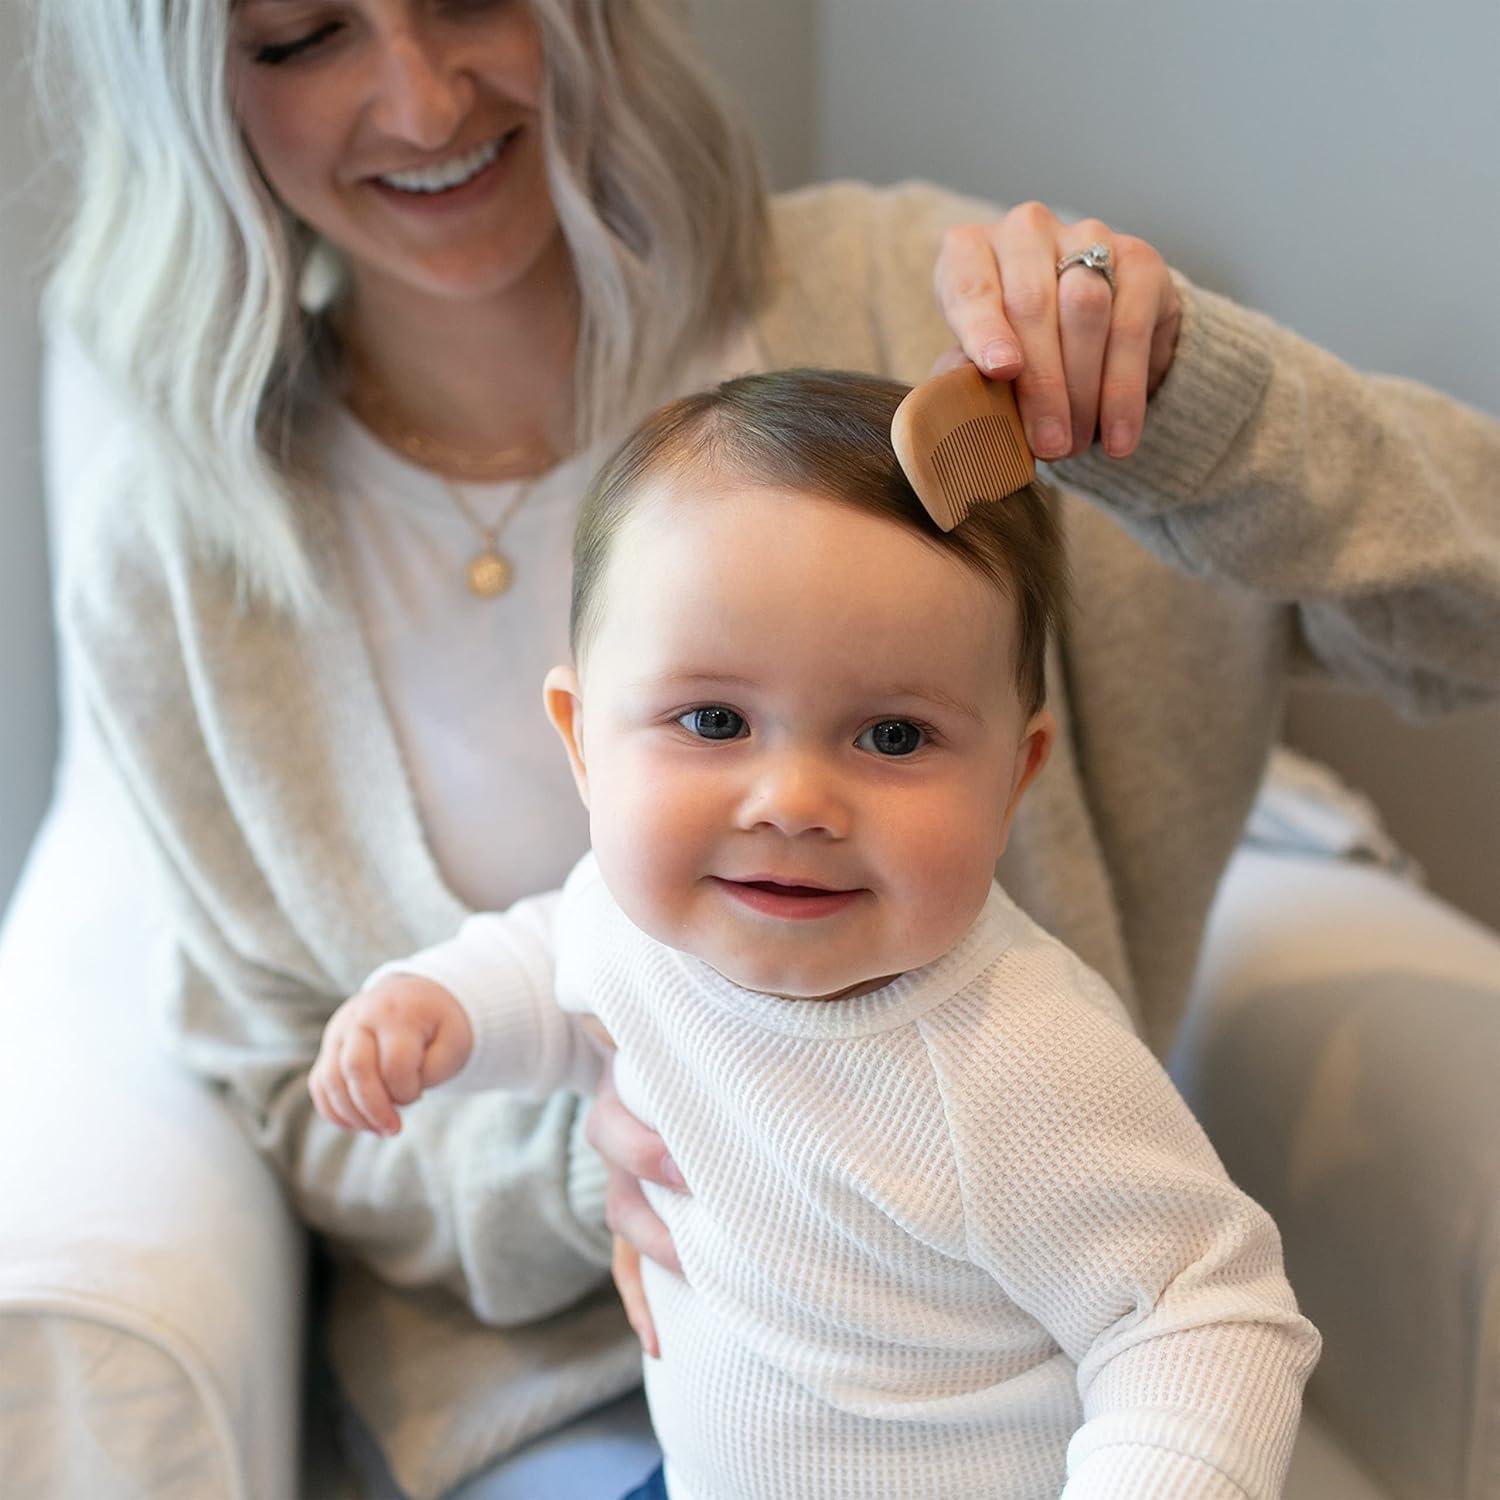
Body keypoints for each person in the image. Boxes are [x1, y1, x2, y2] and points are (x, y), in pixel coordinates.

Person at [37, 0, 1500, 1493]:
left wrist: (1201, 416)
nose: (419, 102)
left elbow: (1478, 614)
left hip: (1010, 1402)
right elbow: (376, 1044)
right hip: (563, 1399)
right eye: (300, 36)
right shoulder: (170, 563)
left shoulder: (934, 358)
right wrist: (587, 1138)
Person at [311, 368, 1323, 1500]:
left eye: (893, 735)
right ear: (584, 739)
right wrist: (433, 1009)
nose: (792, 800)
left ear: (1014, 775)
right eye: (713, 721)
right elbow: (553, 961)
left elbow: (1203, 1315)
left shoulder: (1019, 1058)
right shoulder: (647, 921)